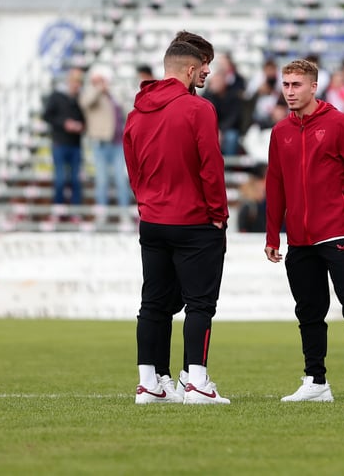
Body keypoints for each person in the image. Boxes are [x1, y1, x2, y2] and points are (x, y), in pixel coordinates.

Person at [265, 59, 344, 403]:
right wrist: (272, 235)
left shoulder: (340, 123)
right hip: (298, 239)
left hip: (337, 232)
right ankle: (316, 381)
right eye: (286, 85)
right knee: (308, 311)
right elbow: (275, 185)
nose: (289, 92)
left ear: (314, 87)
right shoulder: (280, 132)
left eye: (296, 85)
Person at [124, 39, 230, 405]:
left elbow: (133, 168)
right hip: (194, 221)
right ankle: (196, 383)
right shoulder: (199, 109)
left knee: (152, 304)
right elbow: (211, 166)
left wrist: (147, 204)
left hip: (153, 220)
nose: (207, 72)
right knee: (199, 304)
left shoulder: (137, 112)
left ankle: (149, 385)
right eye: (204, 66)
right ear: (190, 69)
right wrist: (218, 214)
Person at [80, 69, 131, 208]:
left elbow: (125, 112)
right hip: (101, 143)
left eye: (102, 80)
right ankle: (101, 212)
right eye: (97, 80)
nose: (101, 83)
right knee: (102, 181)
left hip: (117, 144)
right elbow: (85, 103)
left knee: (121, 180)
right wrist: (98, 89)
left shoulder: (112, 96)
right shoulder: (90, 93)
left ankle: (124, 212)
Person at [42, 68, 86, 207]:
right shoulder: (56, 96)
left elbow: (85, 119)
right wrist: (64, 123)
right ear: (69, 81)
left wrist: (80, 126)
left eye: (78, 82)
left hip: (75, 144)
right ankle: (58, 207)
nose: (76, 85)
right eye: (74, 81)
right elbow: (47, 116)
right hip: (60, 143)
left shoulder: (80, 99)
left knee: (75, 179)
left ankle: (76, 210)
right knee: (60, 178)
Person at [203, 66, 243, 156]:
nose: (215, 84)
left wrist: (221, 130)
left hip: (228, 129)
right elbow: (206, 116)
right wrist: (215, 129)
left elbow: (234, 118)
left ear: (224, 82)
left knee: (231, 137)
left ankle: (228, 163)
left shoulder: (233, 96)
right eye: (214, 81)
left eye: (218, 81)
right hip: (212, 128)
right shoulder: (208, 96)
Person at [247, 59, 282, 128]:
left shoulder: (281, 78)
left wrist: (274, 91)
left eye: (272, 69)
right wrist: (258, 91)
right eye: (268, 70)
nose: (270, 73)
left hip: (276, 116)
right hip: (259, 116)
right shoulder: (258, 78)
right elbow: (248, 96)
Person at [237, 166, 267, 233]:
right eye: (261, 191)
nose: (263, 193)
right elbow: (243, 230)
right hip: (252, 238)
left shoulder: (261, 205)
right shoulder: (248, 207)